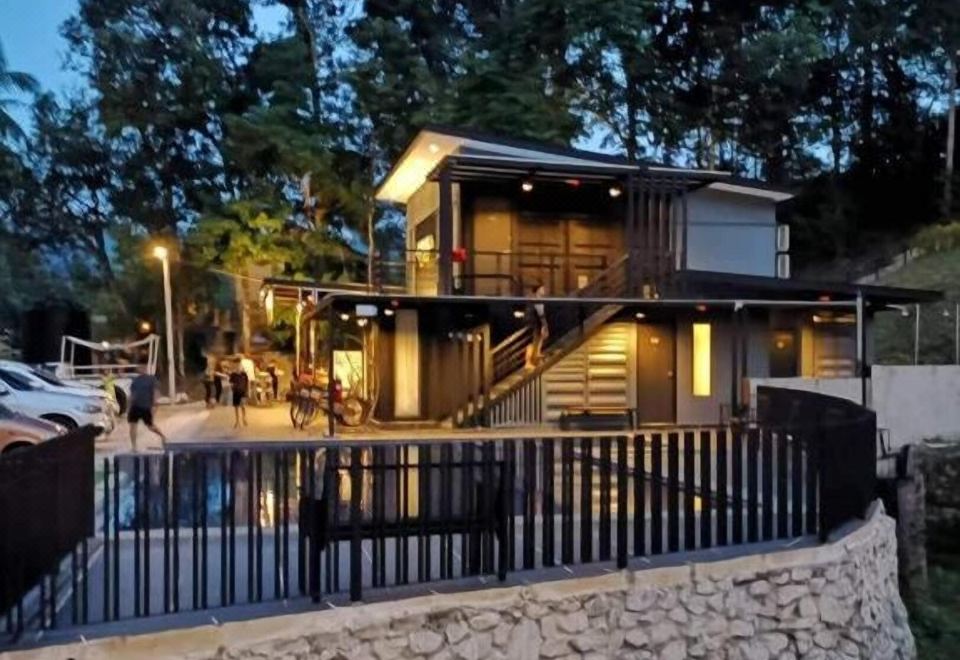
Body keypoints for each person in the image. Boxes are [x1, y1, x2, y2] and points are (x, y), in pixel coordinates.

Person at [127, 366, 167, 452]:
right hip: (135, 406)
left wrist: (155, 404)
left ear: (145, 368)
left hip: (146, 406)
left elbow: (156, 391)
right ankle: (134, 446)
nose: (140, 369)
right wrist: (129, 405)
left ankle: (163, 437)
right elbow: (132, 394)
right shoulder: (135, 380)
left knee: (150, 426)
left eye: (142, 367)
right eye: (139, 368)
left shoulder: (151, 379)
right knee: (132, 426)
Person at [525, 282, 549, 368]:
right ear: (538, 290)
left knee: (536, 341)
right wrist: (545, 325)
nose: (544, 291)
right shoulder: (537, 300)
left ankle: (533, 360)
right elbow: (541, 314)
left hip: (533, 323)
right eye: (542, 289)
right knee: (536, 341)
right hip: (536, 324)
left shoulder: (532, 299)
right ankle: (531, 361)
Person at [229, 363, 249, 428]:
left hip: (243, 392)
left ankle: (244, 418)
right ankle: (237, 421)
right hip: (236, 393)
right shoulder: (233, 375)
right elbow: (231, 383)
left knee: (243, 406)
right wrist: (233, 388)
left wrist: (247, 391)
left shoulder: (244, 374)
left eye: (240, 367)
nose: (239, 368)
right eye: (237, 367)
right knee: (236, 407)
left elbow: (247, 383)